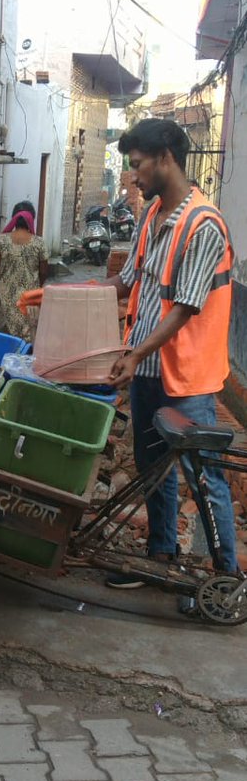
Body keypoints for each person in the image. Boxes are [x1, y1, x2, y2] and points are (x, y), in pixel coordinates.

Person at [104, 118, 237, 607]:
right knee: (154, 466)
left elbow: (184, 308)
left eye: (137, 165)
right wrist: (66, 298)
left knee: (205, 479)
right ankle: (161, 560)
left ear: (165, 158)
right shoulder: (152, 214)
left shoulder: (203, 224)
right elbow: (129, 283)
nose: (133, 176)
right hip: (147, 372)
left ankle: (225, 582)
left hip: (189, 380)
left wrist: (135, 352)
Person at [0, 211, 49, 340]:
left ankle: (5, 353)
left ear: (14, 221)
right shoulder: (39, 243)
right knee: (28, 328)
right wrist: (38, 285)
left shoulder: (1, 240)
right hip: (28, 295)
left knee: (3, 328)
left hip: (5, 293)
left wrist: (1, 280)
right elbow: (43, 271)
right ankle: (25, 353)